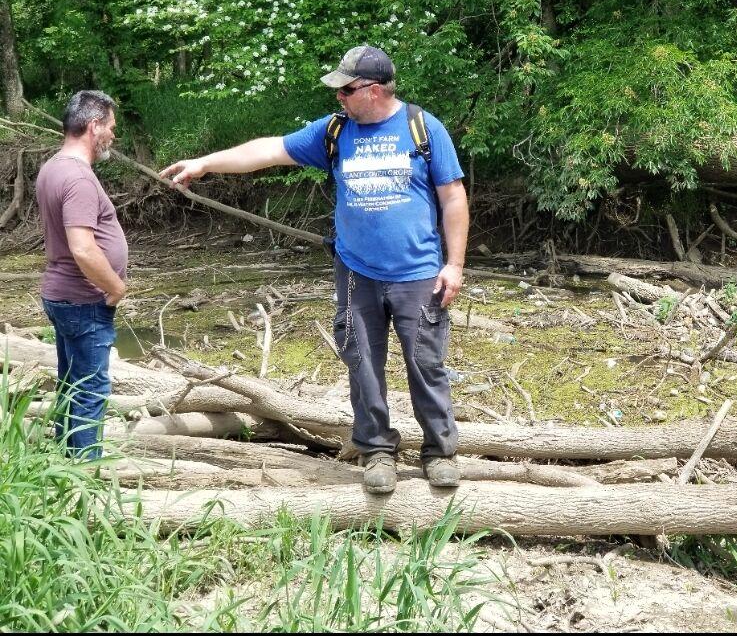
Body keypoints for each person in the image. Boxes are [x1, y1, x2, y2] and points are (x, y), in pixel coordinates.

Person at [160, 45, 469, 493]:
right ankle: (377, 450)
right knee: (361, 363)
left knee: (426, 364)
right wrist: (206, 163)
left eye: (347, 89)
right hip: (356, 272)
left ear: (375, 90)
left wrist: (454, 264)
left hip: (418, 273)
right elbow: (269, 150)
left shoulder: (424, 128)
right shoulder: (334, 131)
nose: (339, 97)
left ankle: (440, 452)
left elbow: (453, 197)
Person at [35, 90, 127, 459]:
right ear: (93, 126)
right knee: (91, 392)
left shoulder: (53, 167)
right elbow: (83, 247)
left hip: (63, 296)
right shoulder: (78, 179)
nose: (113, 136)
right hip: (84, 301)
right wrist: (115, 286)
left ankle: (64, 464)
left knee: (72, 384)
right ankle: (86, 479)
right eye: (110, 127)